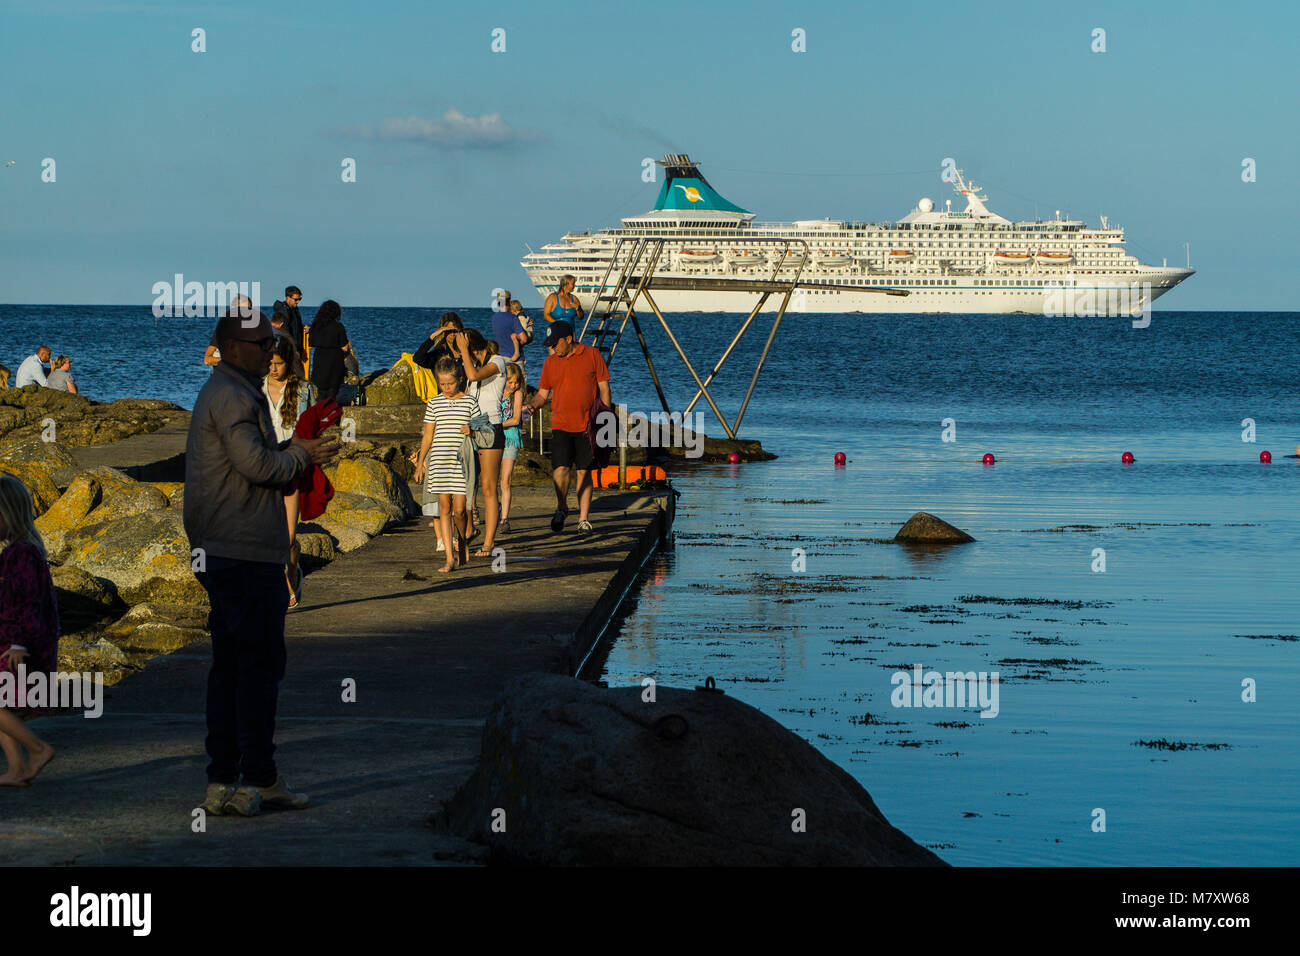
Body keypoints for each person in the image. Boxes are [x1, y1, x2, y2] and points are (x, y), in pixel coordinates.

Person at [185, 309, 338, 817]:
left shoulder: (225, 389)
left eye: (271, 344)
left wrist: (297, 450)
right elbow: (255, 464)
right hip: (241, 549)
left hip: (228, 547)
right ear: (232, 348)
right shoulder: (231, 394)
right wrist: (303, 456)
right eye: (259, 346)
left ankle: (226, 778)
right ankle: (254, 778)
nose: (270, 353)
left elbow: (252, 456)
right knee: (257, 666)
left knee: (233, 665)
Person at [524, 320, 611, 536]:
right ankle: (562, 506)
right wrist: (532, 406)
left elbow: (604, 388)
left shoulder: (592, 355)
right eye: (550, 345)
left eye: (555, 343)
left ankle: (583, 519)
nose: (552, 348)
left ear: (569, 339)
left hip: (588, 426)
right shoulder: (550, 363)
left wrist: (606, 417)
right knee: (560, 470)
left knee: (584, 471)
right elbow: (543, 394)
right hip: (561, 424)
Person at [0, 474, 58, 787]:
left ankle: (38, 750)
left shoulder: (19, 554)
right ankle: (16, 769)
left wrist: (20, 644)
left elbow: (28, 602)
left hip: (20, 644)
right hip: (14, 642)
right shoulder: (22, 551)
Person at [263, 337, 316, 609]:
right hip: (261, 467)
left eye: (279, 363)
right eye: (269, 363)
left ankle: (293, 570)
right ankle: (284, 587)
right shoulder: (254, 389)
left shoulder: (304, 390)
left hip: (292, 467)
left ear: (288, 363)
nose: (273, 369)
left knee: (289, 537)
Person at [414, 357, 478, 573]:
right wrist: (421, 462)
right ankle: (450, 558)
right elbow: (428, 436)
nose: (446, 388)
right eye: (442, 384)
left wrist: (473, 430)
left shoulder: (470, 402)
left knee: (460, 510)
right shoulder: (434, 403)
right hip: (439, 460)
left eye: (450, 383)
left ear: (459, 380)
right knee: (444, 508)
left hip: (461, 462)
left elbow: (483, 430)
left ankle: (462, 542)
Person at [456, 329, 507, 556]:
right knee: (468, 484)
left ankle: (489, 542)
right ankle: (469, 530)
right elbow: (469, 390)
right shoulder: (473, 369)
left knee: (488, 485)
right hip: (472, 427)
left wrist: (465, 351)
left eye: (468, 351)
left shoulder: (497, 362)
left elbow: (475, 376)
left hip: (490, 427)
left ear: (475, 348)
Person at [306, 299, 352, 404]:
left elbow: (311, 345)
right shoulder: (338, 327)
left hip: (320, 360)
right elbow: (344, 346)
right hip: (335, 360)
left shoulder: (316, 326)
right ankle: (330, 417)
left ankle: (321, 416)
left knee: (321, 393)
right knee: (333, 393)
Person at [497, 362, 525, 534]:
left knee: (505, 480)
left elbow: (515, 419)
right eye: (510, 381)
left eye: (516, 382)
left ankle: (505, 518)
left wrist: (497, 425)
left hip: (511, 439)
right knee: (491, 481)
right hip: (494, 439)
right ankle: (496, 507)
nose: (513, 385)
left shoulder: (518, 394)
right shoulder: (496, 392)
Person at [271, 286, 306, 361]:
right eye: (296, 299)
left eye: (300, 299)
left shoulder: (294, 310)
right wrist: (294, 350)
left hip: (294, 350)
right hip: (288, 352)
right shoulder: (284, 312)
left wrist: (303, 327)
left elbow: (294, 327)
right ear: (288, 298)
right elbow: (285, 334)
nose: (298, 301)